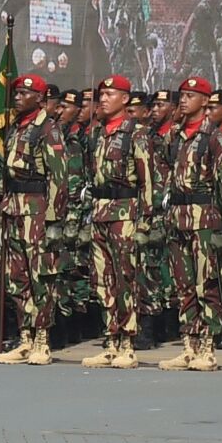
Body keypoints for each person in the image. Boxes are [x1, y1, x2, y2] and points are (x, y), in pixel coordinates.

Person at [157, 76, 222, 372]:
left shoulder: (215, 137)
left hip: (204, 216)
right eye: (183, 95)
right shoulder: (175, 135)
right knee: (183, 284)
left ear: (205, 101)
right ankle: (189, 345)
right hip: (177, 215)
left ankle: (208, 345)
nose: (184, 100)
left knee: (207, 283)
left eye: (192, 95)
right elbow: (165, 170)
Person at [0, 73, 67, 367]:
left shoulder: (47, 129)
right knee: (16, 277)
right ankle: (25, 336)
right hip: (14, 208)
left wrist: (53, 220)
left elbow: (59, 179)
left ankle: (41, 340)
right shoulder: (15, 129)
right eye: (17, 94)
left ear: (40, 97)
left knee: (40, 277)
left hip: (37, 210)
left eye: (26, 93)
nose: (18, 98)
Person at [81, 75, 153, 370]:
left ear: (125, 99)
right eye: (102, 94)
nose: (104, 99)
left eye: (111, 94)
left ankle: (127, 342)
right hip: (100, 211)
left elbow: (148, 179)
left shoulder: (136, 133)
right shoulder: (97, 133)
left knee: (125, 279)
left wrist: (146, 223)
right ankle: (110, 340)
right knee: (102, 280)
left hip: (125, 212)